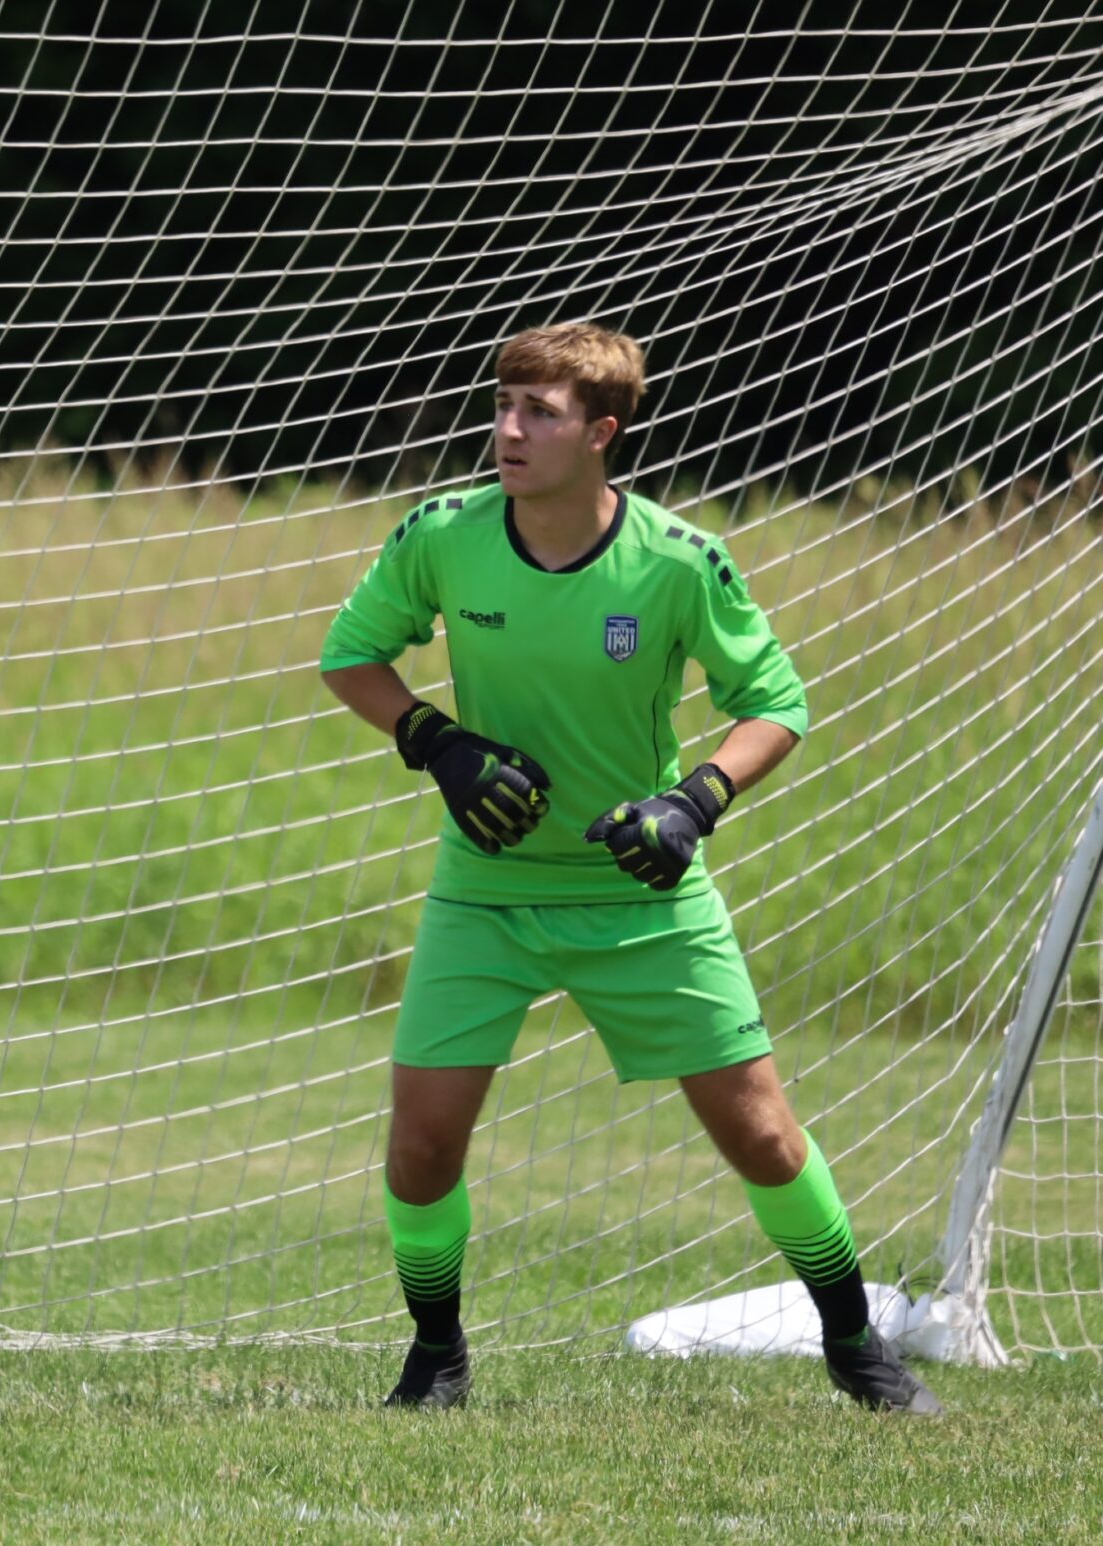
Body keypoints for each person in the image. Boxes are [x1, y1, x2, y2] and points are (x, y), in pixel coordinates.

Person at [316, 322, 938, 1414]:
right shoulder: (442, 537)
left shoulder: (675, 560)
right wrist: (437, 741)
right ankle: (435, 1358)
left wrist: (694, 801)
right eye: (502, 404)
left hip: (642, 897)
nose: (508, 429)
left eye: (539, 412)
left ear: (601, 432)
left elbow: (775, 703)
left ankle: (858, 1352)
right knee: (419, 1146)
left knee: (761, 1134)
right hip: (488, 890)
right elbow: (349, 657)